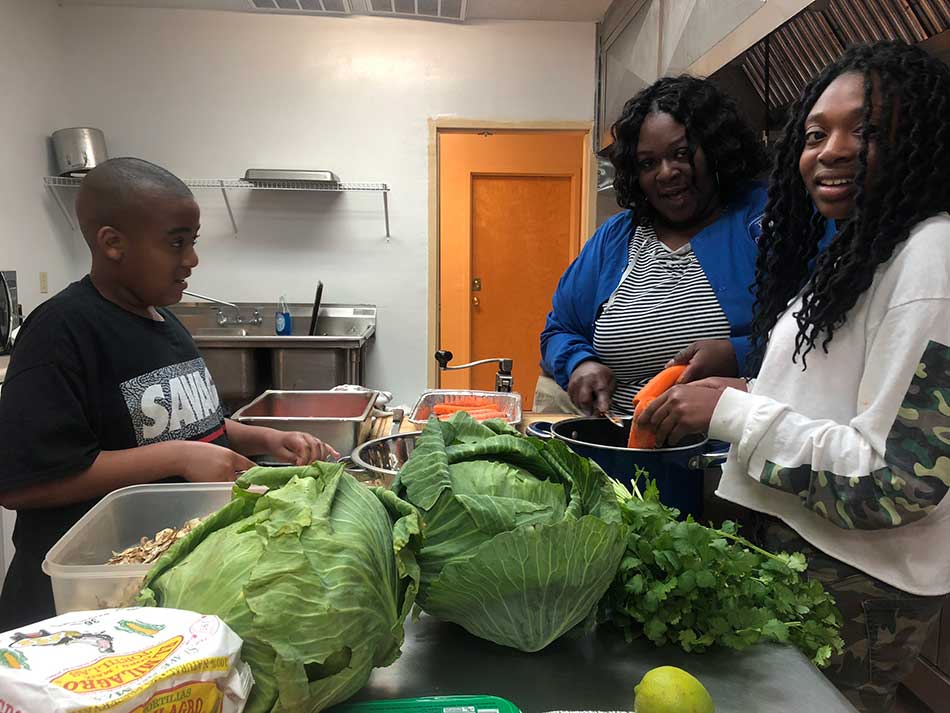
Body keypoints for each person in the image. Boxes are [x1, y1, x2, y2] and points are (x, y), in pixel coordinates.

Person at [639, 41, 950, 712]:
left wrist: (731, 412)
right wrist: (743, 393)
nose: (830, 150)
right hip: (805, 553)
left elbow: (895, 482)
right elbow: (837, 403)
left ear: (923, 132)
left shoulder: (934, 259)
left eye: (863, 128)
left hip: (860, 585)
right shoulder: (871, 245)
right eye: (815, 133)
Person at [0, 158, 336, 629]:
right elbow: (23, 484)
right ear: (112, 243)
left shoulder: (163, 320)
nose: (192, 260)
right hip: (81, 611)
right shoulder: (62, 332)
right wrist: (175, 458)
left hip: (163, 590)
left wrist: (262, 438)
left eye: (193, 242)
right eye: (176, 243)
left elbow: (188, 422)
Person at [538, 75, 772, 416]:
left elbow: (820, 337)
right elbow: (560, 328)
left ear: (716, 149)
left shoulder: (765, 220)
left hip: (722, 454)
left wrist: (738, 353)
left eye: (681, 153)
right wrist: (579, 362)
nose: (666, 173)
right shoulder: (616, 238)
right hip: (615, 444)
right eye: (648, 163)